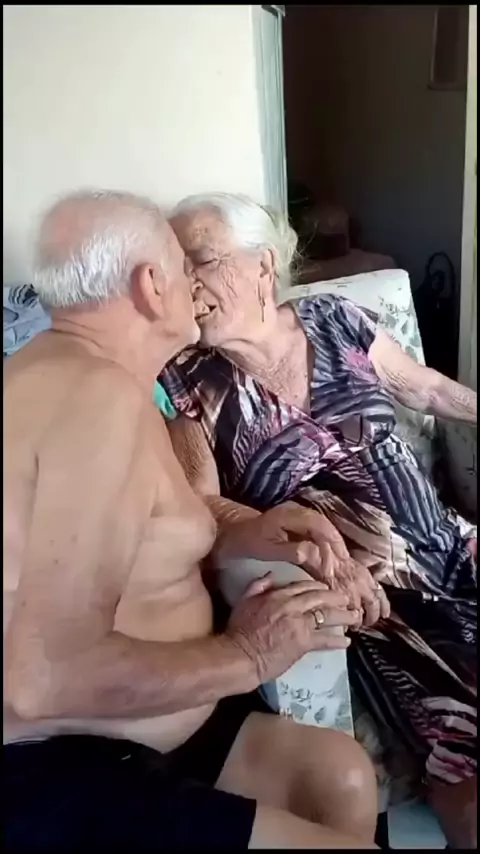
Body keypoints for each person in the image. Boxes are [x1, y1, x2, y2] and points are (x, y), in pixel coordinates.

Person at [3, 189, 379, 851]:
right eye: (185, 266)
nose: (195, 286)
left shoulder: (95, 377)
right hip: (62, 760)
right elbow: (42, 680)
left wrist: (244, 532)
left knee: (337, 777)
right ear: (152, 286)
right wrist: (249, 653)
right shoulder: (93, 399)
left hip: (149, 725)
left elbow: (130, 536)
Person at [161, 192, 478, 849]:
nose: (186, 283)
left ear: (261, 264)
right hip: (379, 597)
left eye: (202, 261)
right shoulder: (187, 378)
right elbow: (202, 505)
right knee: (461, 738)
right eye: (176, 266)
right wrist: (295, 536)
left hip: (450, 543)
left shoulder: (332, 318)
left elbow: (423, 388)